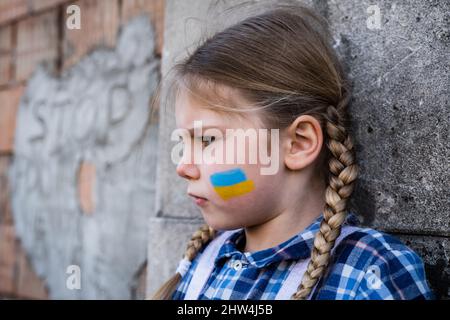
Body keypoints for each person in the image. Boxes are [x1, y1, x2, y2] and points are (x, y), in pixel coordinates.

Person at [151, 5, 434, 300]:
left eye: (207, 140)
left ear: (298, 144)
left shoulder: (368, 272)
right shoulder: (202, 265)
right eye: (183, 144)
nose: (183, 166)